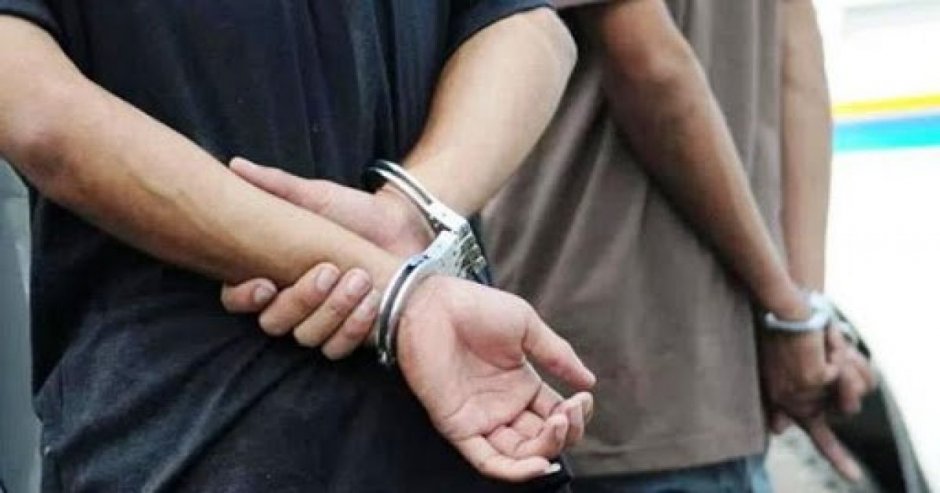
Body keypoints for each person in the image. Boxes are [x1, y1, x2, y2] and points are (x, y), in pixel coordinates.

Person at [0, 2, 597, 491]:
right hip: (218, 426)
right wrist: (397, 266)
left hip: (202, 429)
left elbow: (529, 27)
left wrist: (404, 229)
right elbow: (38, 111)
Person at [482, 0, 877, 491]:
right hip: (644, 369)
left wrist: (797, 316)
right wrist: (798, 311)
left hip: (616, 355)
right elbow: (661, 64)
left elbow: (653, 63)